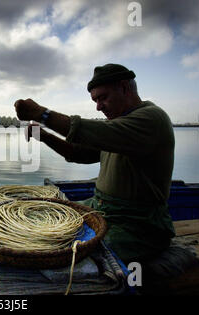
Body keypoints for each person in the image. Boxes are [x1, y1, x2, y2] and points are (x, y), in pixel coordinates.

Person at [14, 63, 176, 264]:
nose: (98, 107)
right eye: (95, 100)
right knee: (47, 219)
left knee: (77, 255)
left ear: (124, 88)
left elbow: (85, 131)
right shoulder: (117, 124)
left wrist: (42, 114)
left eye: (103, 98)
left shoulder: (151, 118)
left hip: (136, 224)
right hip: (100, 207)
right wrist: (45, 136)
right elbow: (78, 153)